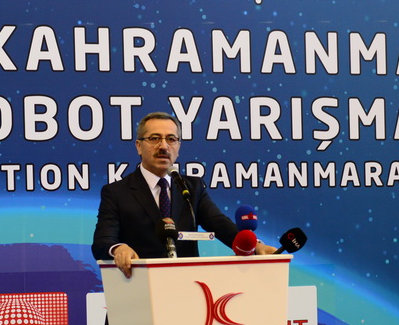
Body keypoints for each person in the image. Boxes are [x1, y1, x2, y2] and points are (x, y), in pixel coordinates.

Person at [92, 111, 276, 277]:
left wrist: (255, 245)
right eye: (154, 138)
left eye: (171, 139)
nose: (163, 146)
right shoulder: (117, 192)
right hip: (140, 290)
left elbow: (220, 224)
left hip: (188, 289)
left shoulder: (192, 188)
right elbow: (102, 240)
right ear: (139, 146)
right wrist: (118, 249)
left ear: (178, 147)